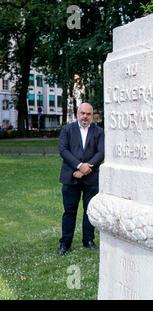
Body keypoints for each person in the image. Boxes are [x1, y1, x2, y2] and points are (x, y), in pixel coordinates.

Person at [57, 102, 104, 255]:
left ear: (92, 115)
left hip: (91, 177)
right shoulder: (67, 129)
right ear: (78, 113)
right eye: (82, 113)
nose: (85, 116)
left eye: (88, 114)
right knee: (69, 211)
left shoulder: (99, 131)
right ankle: (65, 243)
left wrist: (84, 169)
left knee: (89, 210)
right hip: (71, 177)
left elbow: (101, 153)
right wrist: (78, 166)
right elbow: (63, 150)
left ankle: (88, 240)